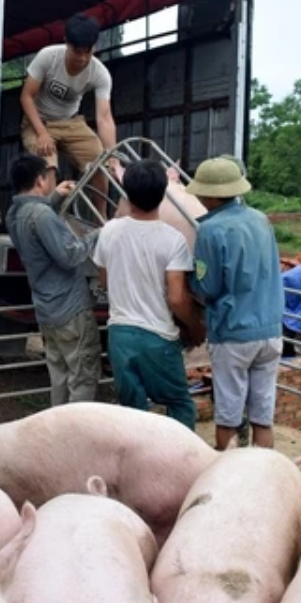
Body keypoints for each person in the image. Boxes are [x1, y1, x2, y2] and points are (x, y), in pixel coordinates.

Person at [93, 160, 205, 428]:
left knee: (132, 413)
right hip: (157, 337)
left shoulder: (108, 232)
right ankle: (182, 465)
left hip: (119, 334)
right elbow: (177, 298)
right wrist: (194, 325)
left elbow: (105, 279)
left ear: (127, 193)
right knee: (178, 403)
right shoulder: (173, 239)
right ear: (163, 192)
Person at [187, 156, 284, 450]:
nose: (199, 197)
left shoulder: (210, 230)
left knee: (228, 416)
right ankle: (265, 475)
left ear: (214, 194)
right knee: (262, 416)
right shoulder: (260, 219)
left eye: (202, 192)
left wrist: (187, 281)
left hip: (233, 333)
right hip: (270, 331)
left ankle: (226, 477)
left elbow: (209, 286)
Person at [6, 154, 102, 406]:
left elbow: (36, 218)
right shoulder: (42, 215)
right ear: (40, 180)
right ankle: (76, 435)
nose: (53, 179)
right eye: (50, 177)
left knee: (59, 376)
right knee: (82, 375)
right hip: (70, 308)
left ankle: (58, 434)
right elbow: (70, 255)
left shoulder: (14, 214)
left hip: (47, 308)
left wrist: (55, 197)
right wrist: (99, 234)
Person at [20, 13, 119, 217]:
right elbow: (26, 97)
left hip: (71, 122)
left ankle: (101, 219)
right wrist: (41, 133)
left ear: (94, 47)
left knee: (100, 163)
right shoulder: (48, 57)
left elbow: (105, 117)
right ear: (66, 43)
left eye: (88, 51)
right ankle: (48, 218)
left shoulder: (100, 73)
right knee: (47, 167)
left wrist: (112, 155)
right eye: (77, 51)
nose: (82, 58)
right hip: (39, 122)